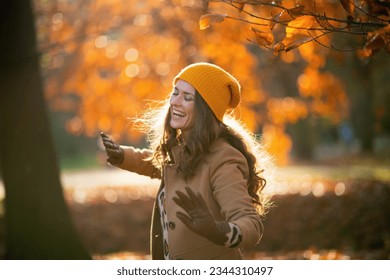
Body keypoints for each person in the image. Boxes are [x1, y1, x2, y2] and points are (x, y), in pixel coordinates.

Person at [101, 62, 273, 260]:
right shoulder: (182, 147)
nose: (175, 102)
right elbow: (159, 164)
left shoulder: (223, 158)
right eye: (175, 93)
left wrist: (220, 231)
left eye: (187, 97)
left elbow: (250, 223)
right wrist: (122, 156)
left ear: (206, 110)